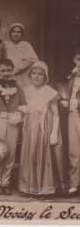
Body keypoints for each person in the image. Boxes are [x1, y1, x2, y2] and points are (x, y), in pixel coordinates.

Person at [19, 61, 66, 197]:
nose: (36, 76)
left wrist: (54, 134)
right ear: (30, 75)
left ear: (45, 77)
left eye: (40, 74)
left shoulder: (50, 93)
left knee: (45, 155)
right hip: (30, 128)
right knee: (31, 153)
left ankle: (45, 187)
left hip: (46, 127)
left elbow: (56, 115)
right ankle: (29, 186)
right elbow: (24, 109)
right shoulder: (26, 91)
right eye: (34, 73)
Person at [0, 58, 26, 196]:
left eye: (9, 70)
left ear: (13, 70)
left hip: (13, 122)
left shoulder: (18, 87)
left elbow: (23, 105)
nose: (6, 73)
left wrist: (19, 116)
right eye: (3, 70)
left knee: (10, 153)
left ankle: (6, 182)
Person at [59, 49, 80, 197]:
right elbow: (65, 92)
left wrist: (76, 103)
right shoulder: (72, 77)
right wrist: (64, 101)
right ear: (74, 60)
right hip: (73, 116)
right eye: (78, 59)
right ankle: (74, 183)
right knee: (74, 151)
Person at [4, 23, 38, 88]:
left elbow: (32, 60)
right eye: (14, 32)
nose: (16, 34)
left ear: (22, 34)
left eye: (19, 32)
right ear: (10, 33)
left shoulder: (26, 45)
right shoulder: (5, 45)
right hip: (8, 74)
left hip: (24, 75)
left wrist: (17, 70)